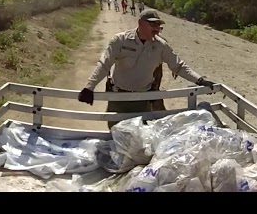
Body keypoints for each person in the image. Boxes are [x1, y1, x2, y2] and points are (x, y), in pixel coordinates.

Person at [78, 9, 216, 128]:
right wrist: (89, 87)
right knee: (116, 133)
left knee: (140, 136)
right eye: (152, 24)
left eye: (158, 25)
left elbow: (178, 66)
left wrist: (200, 80)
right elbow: (104, 64)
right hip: (119, 98)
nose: (156, 28)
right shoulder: (120, 40)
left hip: (143, 100)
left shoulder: (160, 46)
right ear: (140, 23)